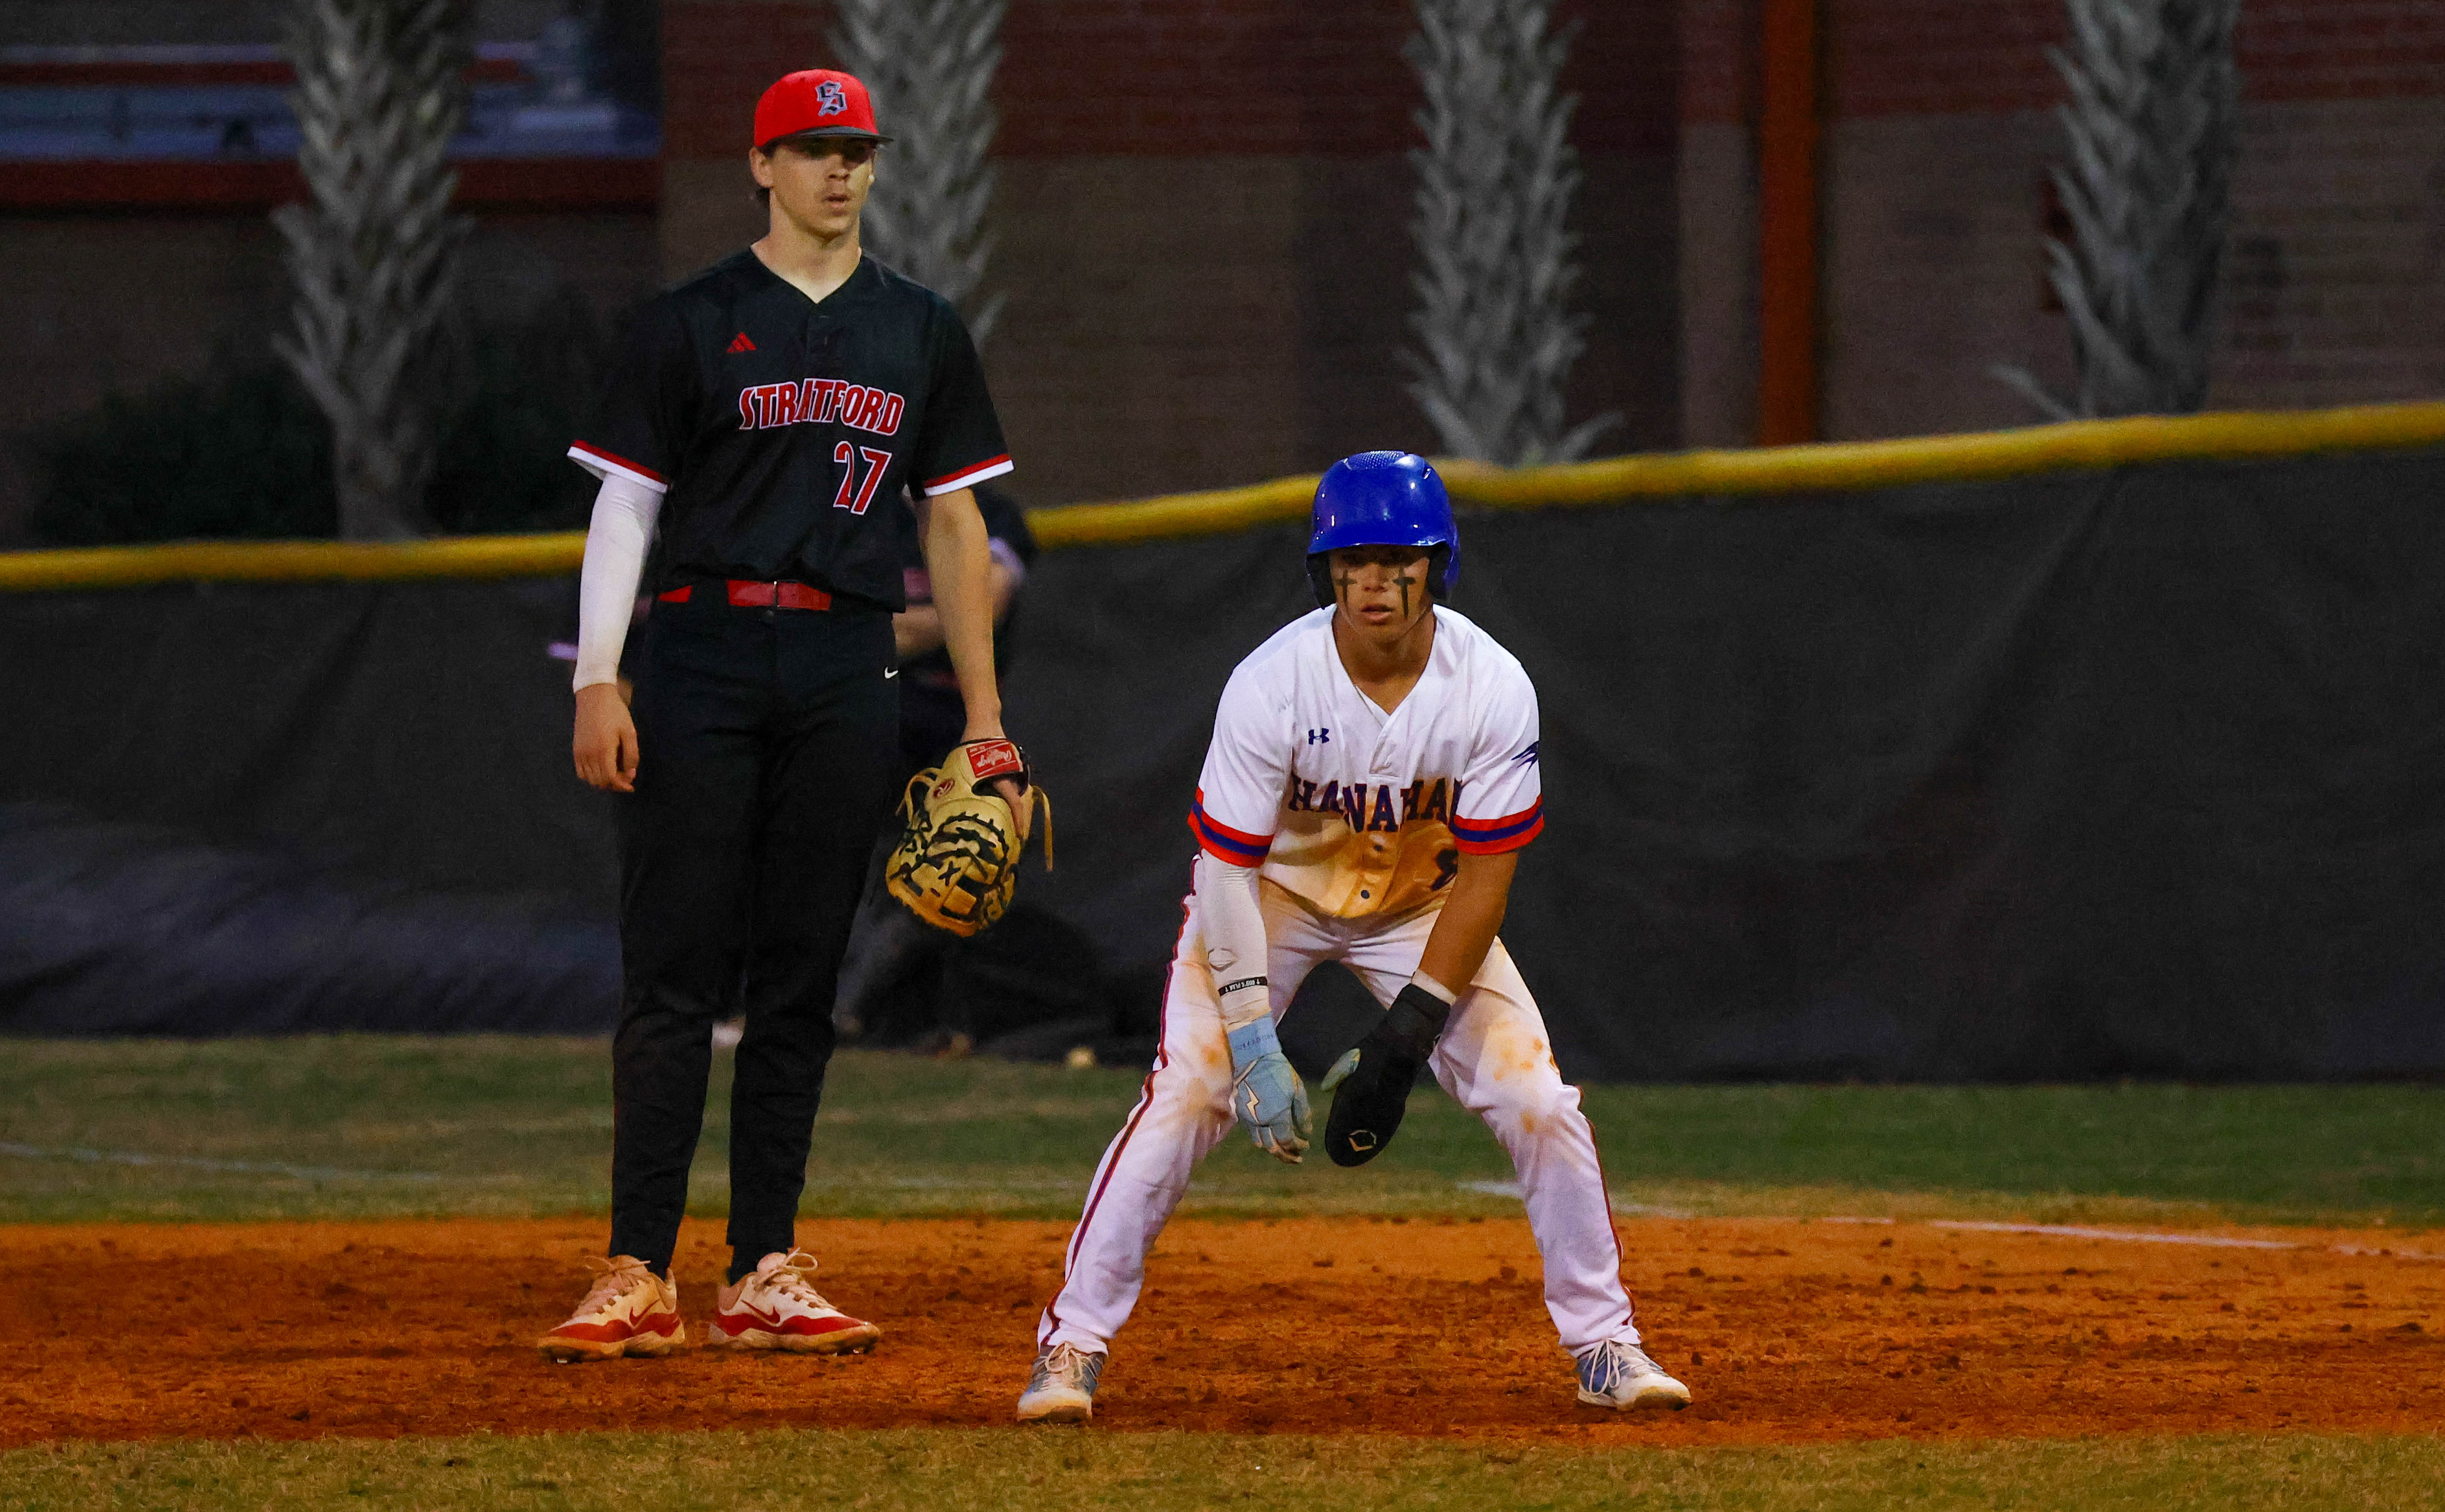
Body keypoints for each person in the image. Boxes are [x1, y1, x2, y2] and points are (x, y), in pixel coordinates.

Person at [1015, 452, 1691, 1421]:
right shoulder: (1273, 682)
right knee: (1189, 1089)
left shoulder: (1491, 685)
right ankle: (1071, 1345)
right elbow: (1224, 867)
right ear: (1323, 570)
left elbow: (1487, 875)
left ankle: (1604, 1343)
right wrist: (1250, 1031)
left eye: (1395, 558)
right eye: (1351, 560)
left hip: (1423, 903)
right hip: (1271, 897)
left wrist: (1403, 1036)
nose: (1373, 580)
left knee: (1537, 1099)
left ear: (1437, 564)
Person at [539, 67, 1026, 1363]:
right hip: (697, 650)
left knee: (801, 974)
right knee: (673, 970)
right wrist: (601, 673)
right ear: (761, 164)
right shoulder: (688, 320)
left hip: (845, 659)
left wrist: (983, 714)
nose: (838, 170)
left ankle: (762, 1266)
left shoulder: (919, 327)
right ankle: (637, 1266)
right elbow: (626, 508)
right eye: (812, 149)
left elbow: (957, 518)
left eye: (855, 150)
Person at [833, 481, 1039, 1051]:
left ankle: (888, 1014)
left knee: (957, 863)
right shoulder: (851, 509)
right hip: (858, 716)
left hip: (956, 724)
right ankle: (844, 1010)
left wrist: (873, 633)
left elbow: (984, 606)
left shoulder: (991, 512)